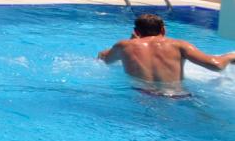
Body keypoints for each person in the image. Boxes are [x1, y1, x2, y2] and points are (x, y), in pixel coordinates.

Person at [98, 13, 235, 97]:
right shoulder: (179, 45)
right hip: (177, 96)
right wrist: (230, 56)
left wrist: (131, 41)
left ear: (136, 32)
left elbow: (104, 58)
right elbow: (216, 65)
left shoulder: (124, 46)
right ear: (163, 30)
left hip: (142, 95)